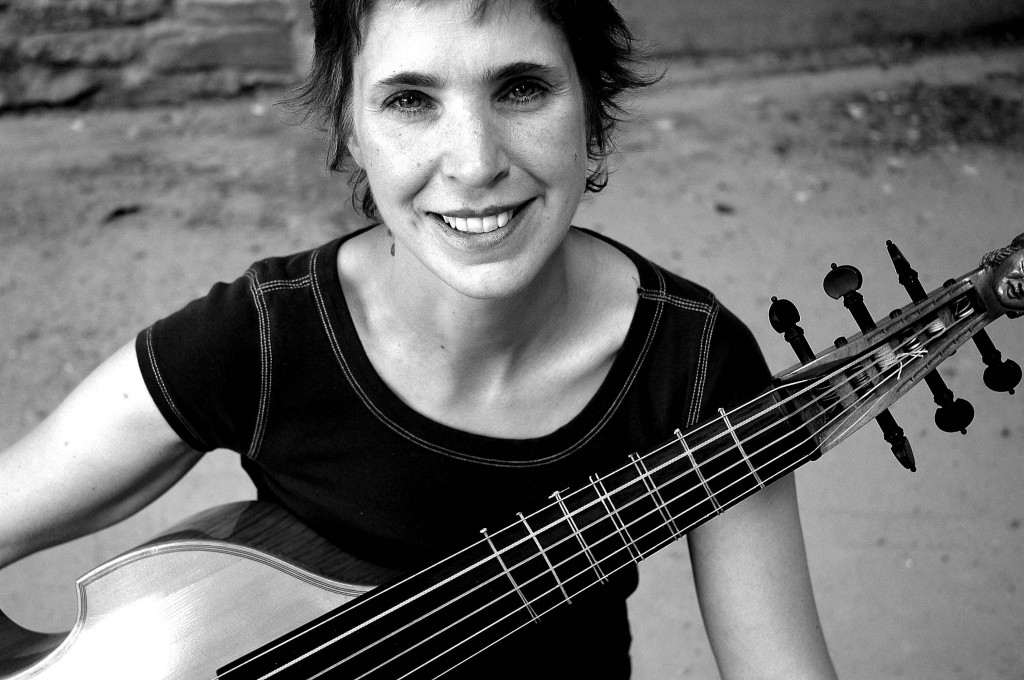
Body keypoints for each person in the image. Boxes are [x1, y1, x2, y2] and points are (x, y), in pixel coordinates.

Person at [0, 0, 839, 677]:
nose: (474, 163)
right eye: (409, 100)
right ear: (350, 130)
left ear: (591, 107)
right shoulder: (265, 336)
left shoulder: (691, 362)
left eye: (522, 88)